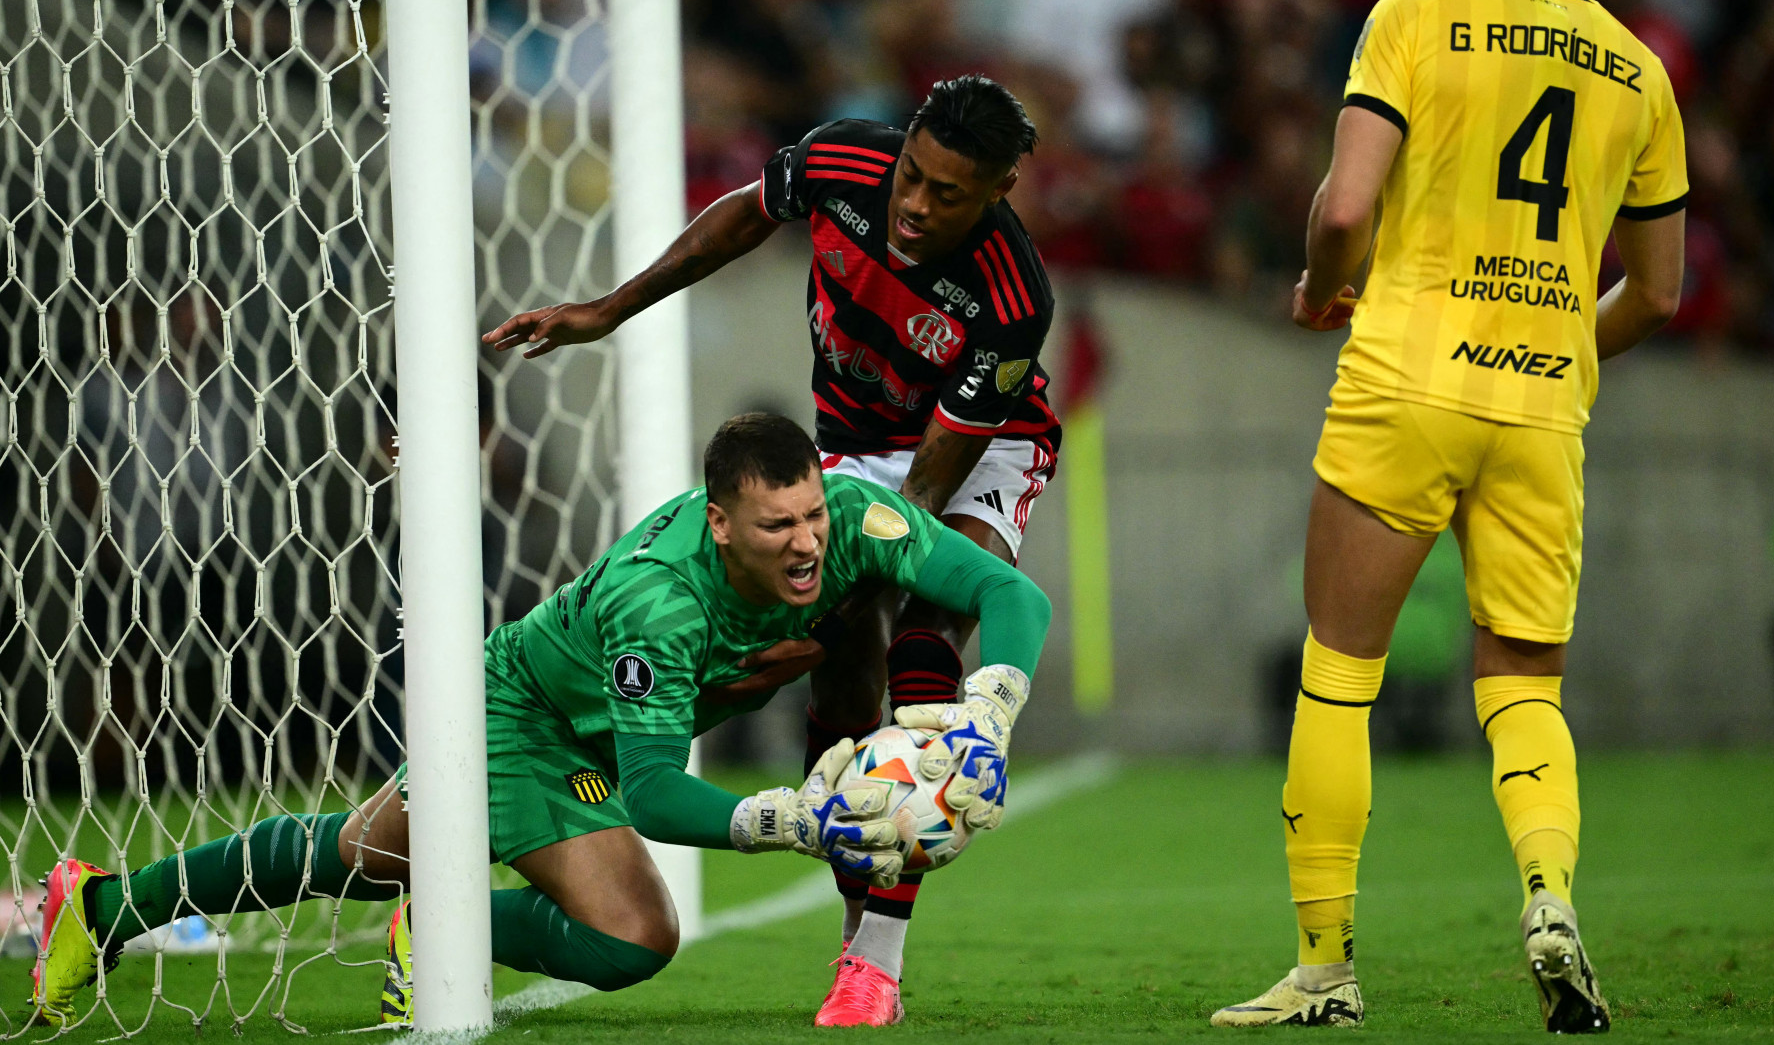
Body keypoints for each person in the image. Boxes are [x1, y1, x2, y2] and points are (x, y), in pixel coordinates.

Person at [31, 414, 1050, 1029]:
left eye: (812, 517)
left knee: (357, 853)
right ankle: (438, 924)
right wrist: (802, 820)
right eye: (777, 527)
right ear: (721, 521)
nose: (805, 546)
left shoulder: (860, 523)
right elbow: (651, 792)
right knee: (633, 935)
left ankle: (104, 905)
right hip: (521, 716)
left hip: (590, 726)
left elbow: (1015, 600)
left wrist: (989, 713)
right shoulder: (663, 597)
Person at [1211, 0, 1687, 1032]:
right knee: (1524, 688)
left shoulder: (1416, 18)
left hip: (1407, 380)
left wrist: (1323, 287)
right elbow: (1665, 290)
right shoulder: (1641, 70)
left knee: (1338, 676)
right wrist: (1564, 344)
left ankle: (1323, 969)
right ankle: (1548, 893)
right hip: (1541, 408)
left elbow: (1347, 203)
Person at [481, 75, 1058, 1026]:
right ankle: (852, 892)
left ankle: (871, 959)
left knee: (919, 641)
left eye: (947, 195)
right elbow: (740, 220)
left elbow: (913, 512)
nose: (914, 205)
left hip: (976, 445)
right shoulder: (841, 158)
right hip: (851, 433)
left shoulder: (1009, 298)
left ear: (996, 193)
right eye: (912, 175)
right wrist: (612, 308)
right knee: (840, 679)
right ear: (901, 146)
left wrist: (982, 715)